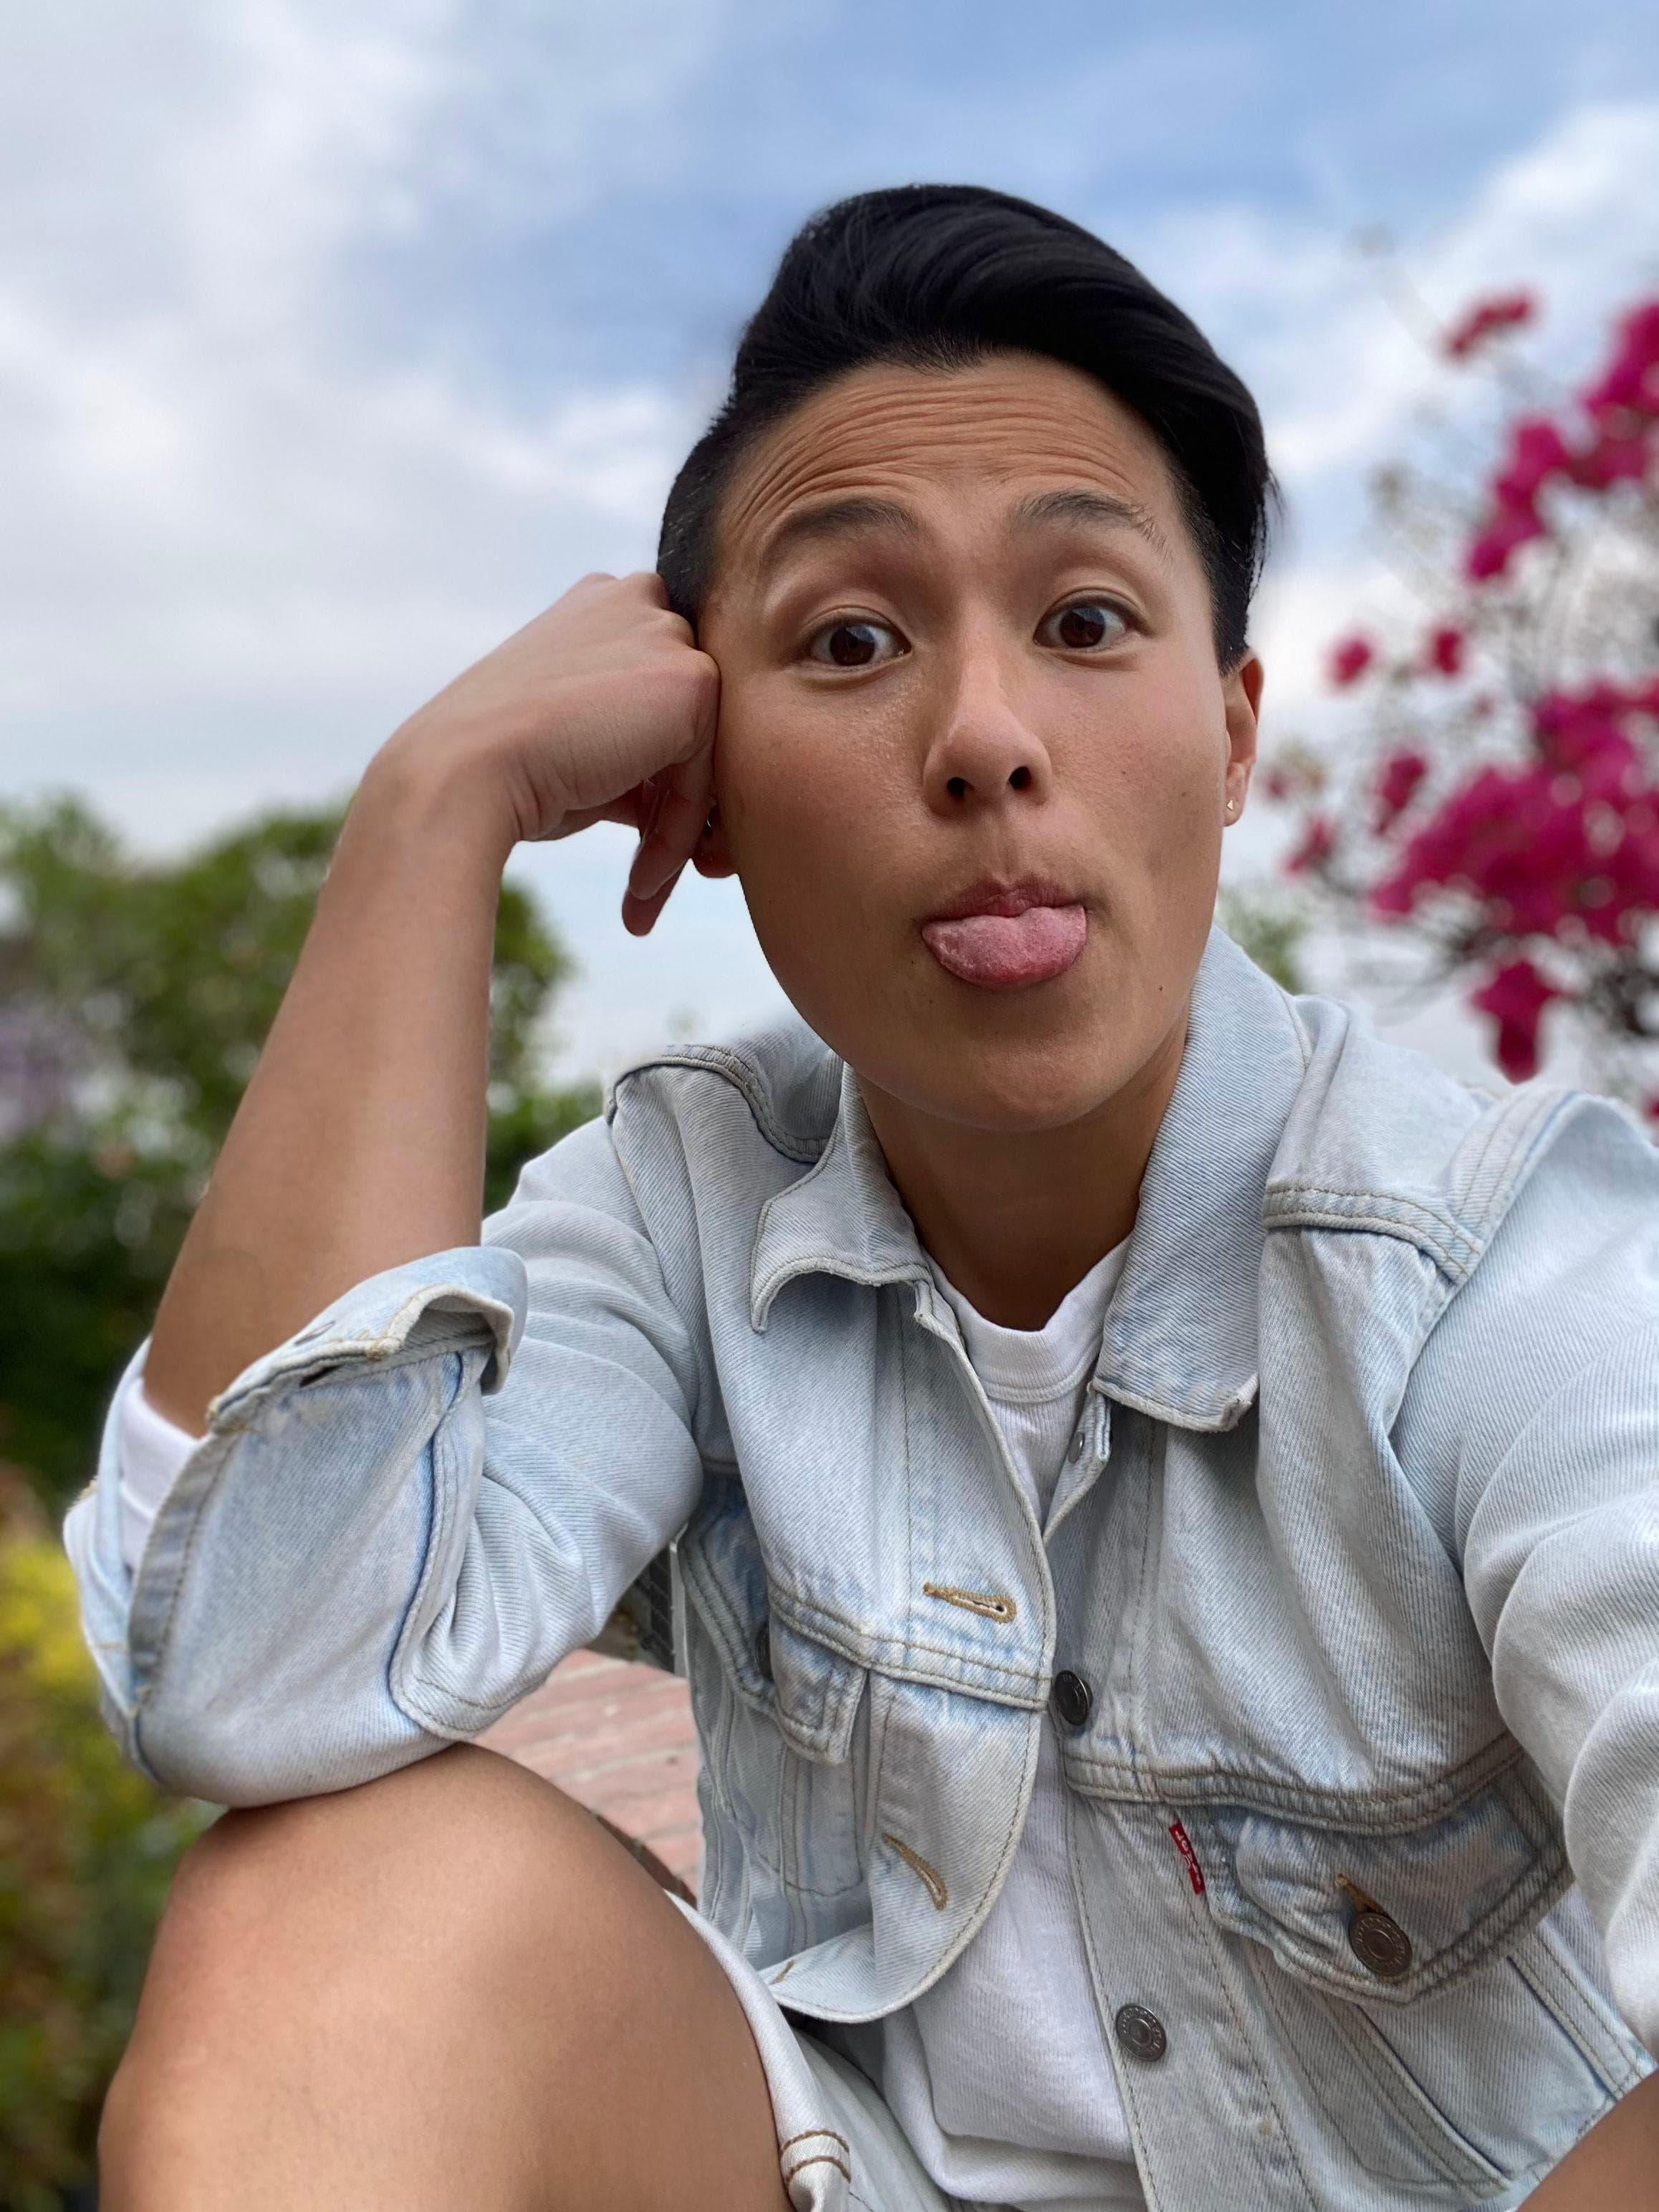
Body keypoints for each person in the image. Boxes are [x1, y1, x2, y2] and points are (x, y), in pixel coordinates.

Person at [71, 186, 1659, 2211]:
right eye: (849, 641)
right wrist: (433, 808)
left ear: (1232, 736)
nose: (986, 740)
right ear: (708, 783)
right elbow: (252, 1681)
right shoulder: (688, 1201)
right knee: (331, 1891)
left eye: (1086, 624)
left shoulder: (1495, 1266)